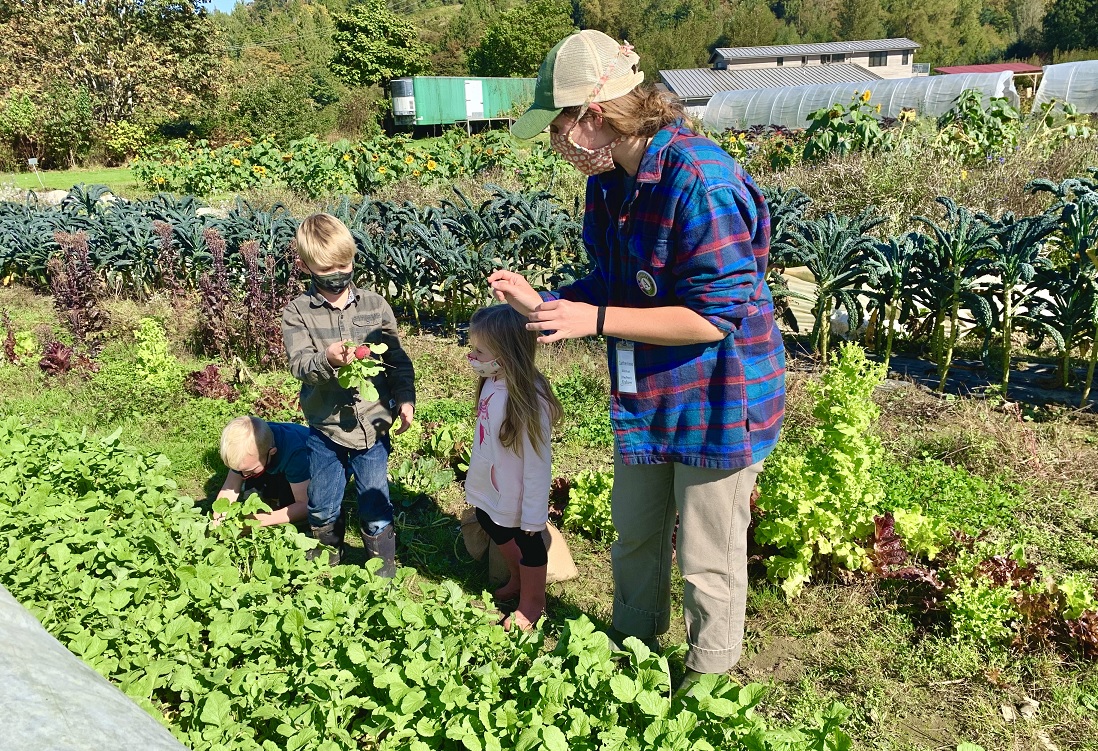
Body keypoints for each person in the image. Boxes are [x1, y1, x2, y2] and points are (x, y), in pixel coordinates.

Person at [490, 30, 786, 687]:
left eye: (557, 128)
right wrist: (546, 303)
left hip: (716, 394)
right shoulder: (610, 183)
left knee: (709, 555)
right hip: (648, 394)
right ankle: (632, 648)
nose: (556, 146)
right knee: (635, 531)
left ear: (594, 118)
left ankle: (706, 683)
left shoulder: (698, 179)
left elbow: (714, 317)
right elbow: (612, 287)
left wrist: (591, 319)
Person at [281, 213, 416, 573]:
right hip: (326, 430)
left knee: (375, 504)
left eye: (346, 263)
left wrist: (405, 398)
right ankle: (326, 564)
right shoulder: (297, 314)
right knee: (323, 504)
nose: (340, 272)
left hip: (372, 428)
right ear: (307, 265)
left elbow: (397, 360)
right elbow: (299, 366)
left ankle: (382, 570)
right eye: (329, 267)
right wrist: (327, 359)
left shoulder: (374, 305)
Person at [465, 304, 562, 631]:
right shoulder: (494, 380)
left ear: (506, 354)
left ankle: (532, 602)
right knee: (487, 519)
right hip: (492, 484)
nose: (472, 356)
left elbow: (538, 466)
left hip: (518, 494)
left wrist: (535, 514)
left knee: (528, 543)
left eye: (479, 351)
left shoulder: (528, 402)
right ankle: (519, 578)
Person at [215, 416, 310, 527]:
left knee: (290, 508)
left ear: (271, 452)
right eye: (239, 470)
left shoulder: (295, 454)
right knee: (254, 487)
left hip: (309, 470)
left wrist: (259, 521)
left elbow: (305, 505)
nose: (244, 475)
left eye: (249, 470)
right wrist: (218, 520)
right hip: (269, 464)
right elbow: (230, 488)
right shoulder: (247, 451)